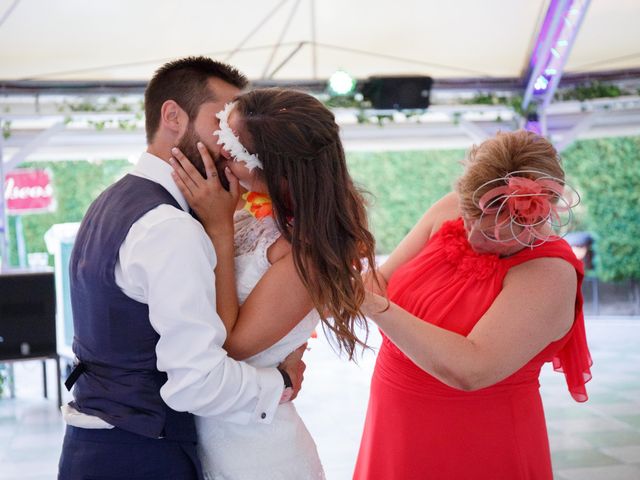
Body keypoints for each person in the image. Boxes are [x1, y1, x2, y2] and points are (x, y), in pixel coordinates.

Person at [58, 57, 307, 480]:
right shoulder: (170, 226)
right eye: (221, 121)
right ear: (172, 116)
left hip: (95, 445)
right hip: (141, 456)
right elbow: (196, 382)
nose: (232, 140)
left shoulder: (113, 200)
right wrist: (279, 382)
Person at [354, 130, 593, 479]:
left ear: (536, 216)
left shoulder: (549, 273)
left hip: (479, 436)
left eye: (495, 233)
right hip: (393, 418)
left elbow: (471, 369)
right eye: (469, 220)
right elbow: (382, 281)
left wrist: (372, 306)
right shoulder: (453, 208)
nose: (471, 236)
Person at [169, 87, 377, 479]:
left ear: (279, 171)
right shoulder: (250, 210)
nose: (218, 155)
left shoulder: (308, 254)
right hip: (207, 437)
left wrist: (219, 230)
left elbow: (228, 345)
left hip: (256, 456)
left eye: (232, 153)